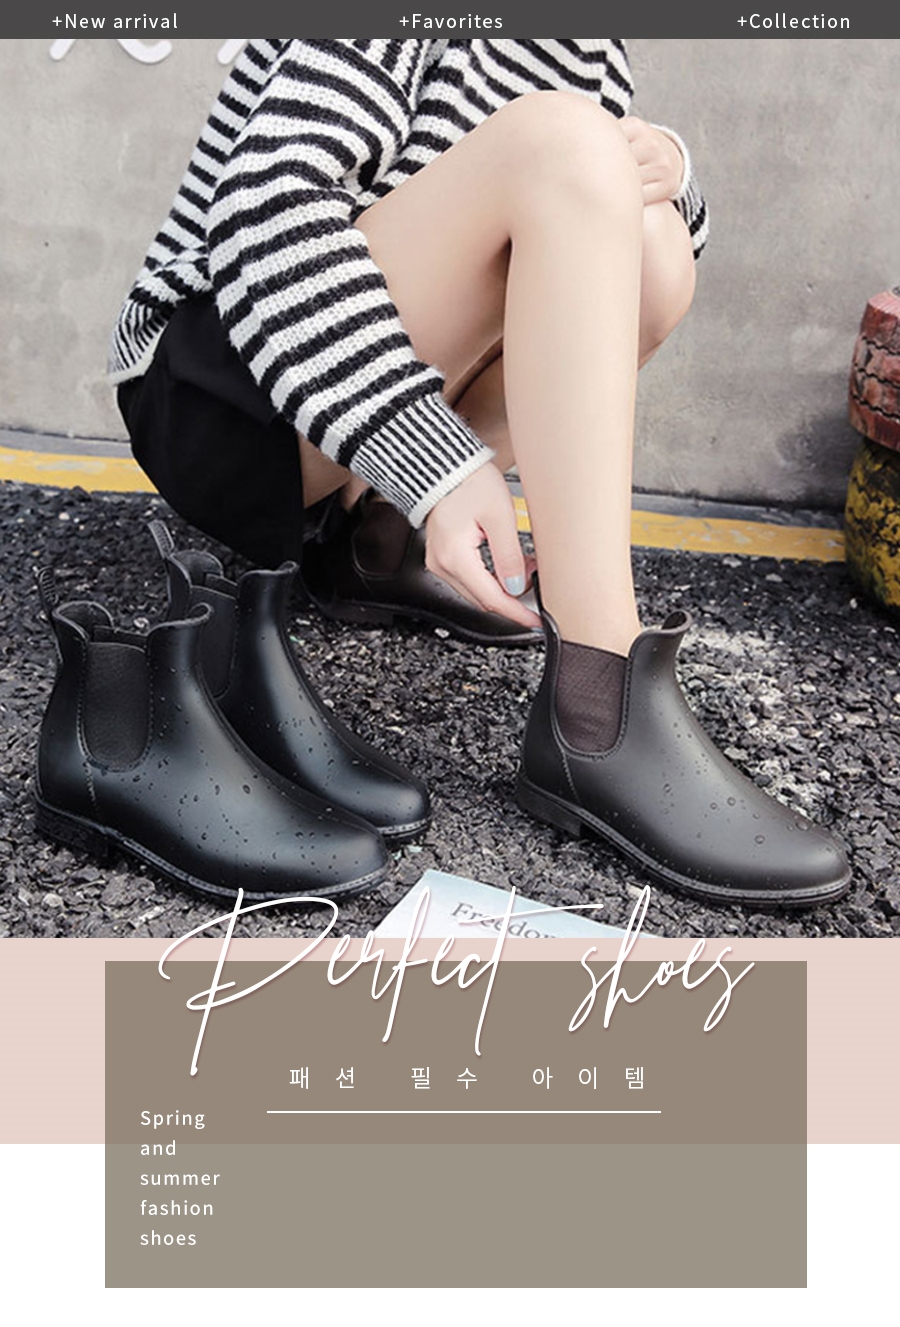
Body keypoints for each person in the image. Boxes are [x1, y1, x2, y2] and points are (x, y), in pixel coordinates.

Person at [108, 38, 851, 909]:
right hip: (217, 387)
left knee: (651, 244)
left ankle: (376, 539)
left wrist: (669, 171)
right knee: (566, 146)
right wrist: (431, 455)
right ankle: (600, 701)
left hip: (328, 400)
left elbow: (597, 246)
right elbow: (267, 211)